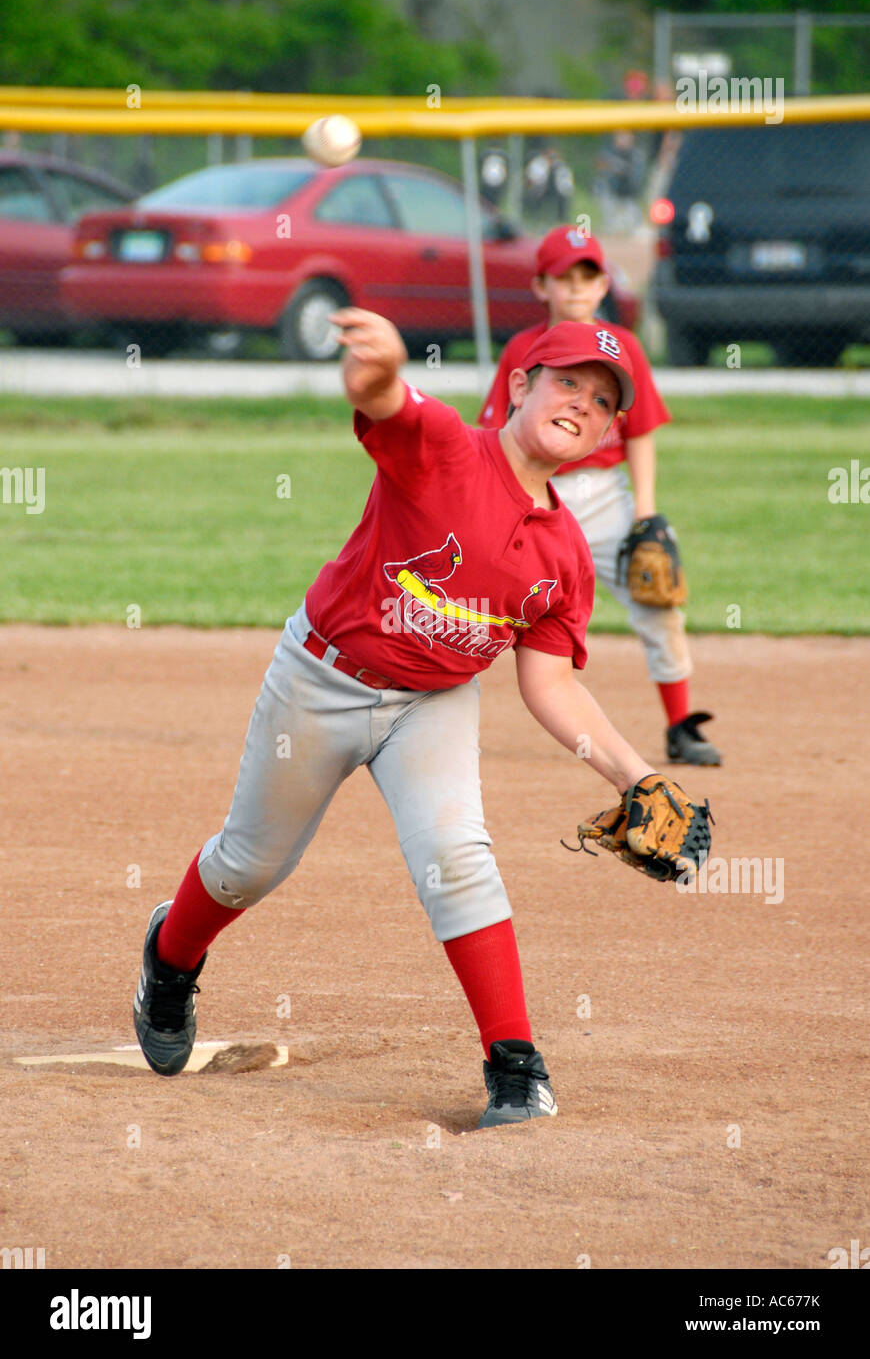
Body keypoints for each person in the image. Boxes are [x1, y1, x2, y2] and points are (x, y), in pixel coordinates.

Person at [133, 308, 705, 1128]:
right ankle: (171, 956)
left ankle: (515, 1065)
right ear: (519, 386)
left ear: (610, 431)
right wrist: (378, 366)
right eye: (567, 380)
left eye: (603, 400)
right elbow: (382, 398)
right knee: (248, 866)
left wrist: (637, 776)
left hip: (433, 702)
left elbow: (549, 687)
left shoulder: (566, 557)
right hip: (321, 679)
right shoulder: (442, 447)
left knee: (457, 855)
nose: (582, 401)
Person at [478, 225, 720, 767]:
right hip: (536, 495)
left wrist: (646, 509)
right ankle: (427, 705)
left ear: (602, 282)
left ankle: (680, 724)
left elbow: (641, 434)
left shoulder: (624, 346)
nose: (577, 286)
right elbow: (495, 435)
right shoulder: (523, 350)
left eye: (588, 274)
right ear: (541, 285)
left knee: (659, 601)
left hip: (607, 499)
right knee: (478, 602)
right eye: (564, 276)